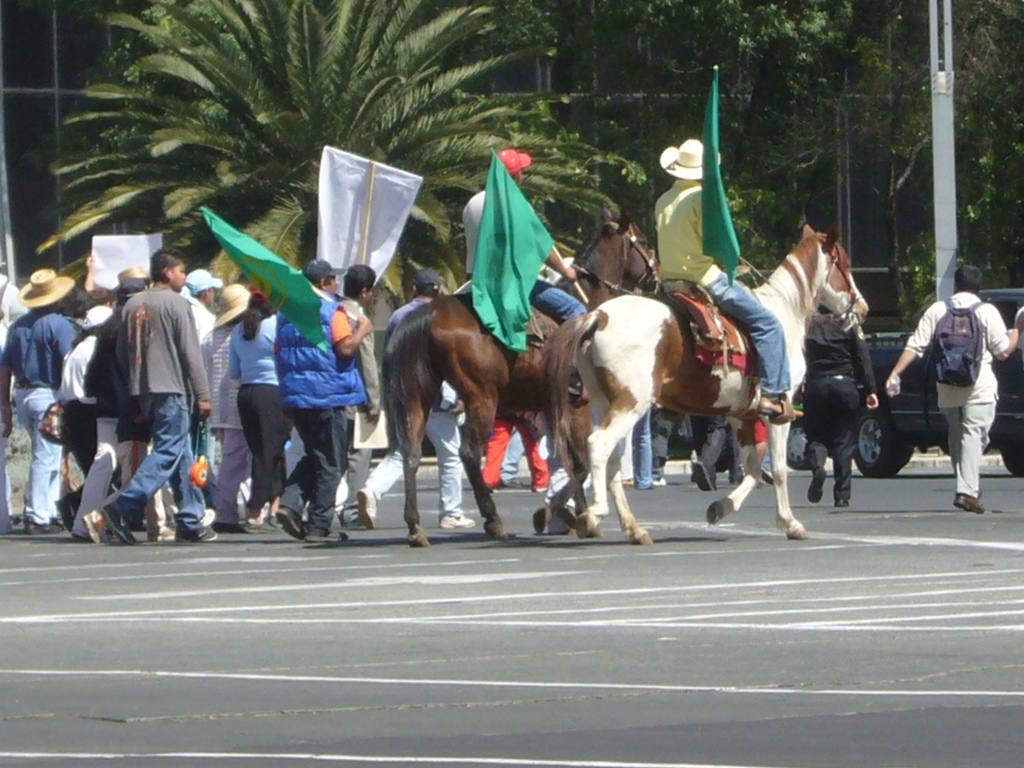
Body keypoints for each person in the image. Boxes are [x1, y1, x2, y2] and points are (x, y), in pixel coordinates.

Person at [656, 138, 793, 424]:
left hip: (669, 283)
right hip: (704, 280)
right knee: (768, 324)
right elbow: (713, 244)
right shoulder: (701, 199)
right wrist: (729, 257)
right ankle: (773, 394)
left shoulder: (663, 200)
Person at [101, 248, 216, 544]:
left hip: (146, 389)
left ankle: (190, 517)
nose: (184, 276)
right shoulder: (177, 304)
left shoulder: (131, 306)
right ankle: (123, 506)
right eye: (181, 270)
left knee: (181, 453)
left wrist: (136, 385)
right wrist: (203, 394)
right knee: (168, 449)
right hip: (172, 388)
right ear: (167, 272)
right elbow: (191, 353)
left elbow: (122, 354)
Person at [885, 265, 1015, 513]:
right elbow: (1003, 351)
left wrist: (895, 373)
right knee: (974, 436)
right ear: (979, 288)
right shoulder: (987, 312)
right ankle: (967, 492)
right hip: (980, 388)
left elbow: (916, 345)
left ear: (955, 286)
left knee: (959, 439)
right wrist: (1018, 330)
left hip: (947, 388)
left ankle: (968, 485)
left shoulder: (937, 309)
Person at [357, 269, 475, 530]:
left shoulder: (399, 316)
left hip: (404, 393)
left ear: (414, 289)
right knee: (450, 453)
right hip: (438, 397)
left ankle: (373, 490)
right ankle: (451, 511)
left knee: (402, 451)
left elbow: (388, 354)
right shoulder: (445, 317)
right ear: (439, 290)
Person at [274, 260, 372, 543]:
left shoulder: (287, 314)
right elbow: (345, 348)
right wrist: (363, 329)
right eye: (332, 280)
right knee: (332, 463)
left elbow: (278, 350)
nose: (336, 285)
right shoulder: (332, 310)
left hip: (297, 396)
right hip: (327, 395)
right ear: (325, 283)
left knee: (315, 455)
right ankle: (318, 525)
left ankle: (291, 504)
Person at [462, 148, 585, 324]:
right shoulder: (517, 205)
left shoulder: (472, 202)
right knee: (577, 310)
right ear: (518, 176)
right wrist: (566, 272)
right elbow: (543, 248)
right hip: (510, 284)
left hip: (476, 282)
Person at [0, 269, 78, 534]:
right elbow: (68, 360)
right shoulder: (59, 324)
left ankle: (47, 509)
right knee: (47, 454)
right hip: (49, 391)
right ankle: (38, 514)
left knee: (45, 452)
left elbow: (6, 366)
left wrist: (4, 403)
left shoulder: (18, 326)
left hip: (23, 392)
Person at [802, 306, 880, 507]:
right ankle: (842, 496)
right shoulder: (848, 322)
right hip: (844, 384)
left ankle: (818, 466)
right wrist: (871, 389)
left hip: (816, 384)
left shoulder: (808, 323)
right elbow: (863, 357)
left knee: (815, 436)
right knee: (844, 441)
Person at [231, 288, 291, 531]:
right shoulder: (276, 326)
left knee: (265, 451)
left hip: (246, 393)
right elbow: (284, 362)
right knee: (270, 453)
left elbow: (233, 372)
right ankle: (256, 510)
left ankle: (274, 506)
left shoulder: (238, 329)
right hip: (273, 393)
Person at [203, 283, 252, 533]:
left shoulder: (212, 336)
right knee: (236, 462)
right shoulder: (242, 334)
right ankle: (227, 512)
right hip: (237, 406)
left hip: (217, 406)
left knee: (233, 460)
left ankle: (234, 509)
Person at [336, 264, 381, 527]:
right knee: (359, 455)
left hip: (332, 394)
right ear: (365, 292)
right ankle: (352, 511)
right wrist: (374, 403)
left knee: (333, 456)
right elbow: (367, 363)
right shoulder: (358, 318)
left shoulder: (333, 310)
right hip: (355, 396)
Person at [184, 268, 223, 345]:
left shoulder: (180, 310)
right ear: (207, 292)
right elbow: (205, 348)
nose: (214, 294)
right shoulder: (205, 318)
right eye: (213, 290)